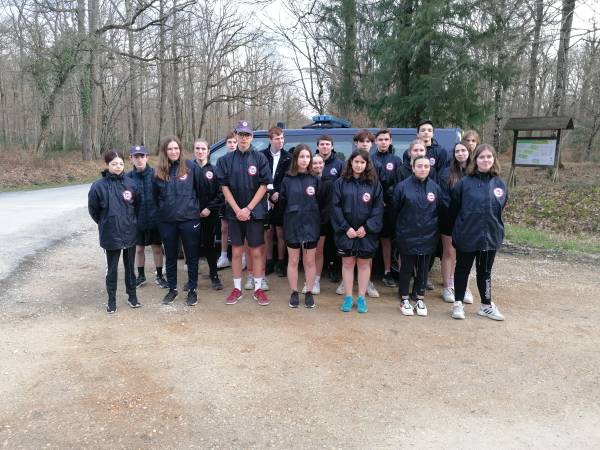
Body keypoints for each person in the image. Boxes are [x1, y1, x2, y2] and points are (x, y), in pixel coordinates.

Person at [216, 120, 272, 306]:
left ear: (252, 137)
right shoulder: (225, 160)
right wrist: (237, 210)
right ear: (236, 136)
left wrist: (248, 209)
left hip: (254, 213)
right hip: (234, 214)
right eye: (241, 134)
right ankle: (237, 288)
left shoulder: (260, 159)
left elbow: (264, 185)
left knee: (256, 252)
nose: (244, 138)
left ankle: (257, 289)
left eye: (247, 135)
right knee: (237, 252)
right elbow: (224, 187)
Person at [450, 144, 507, 321]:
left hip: (490, 236)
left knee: (485, 272)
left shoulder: (500, 183)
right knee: (462, 270)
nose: (486, 160)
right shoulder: (464, 183)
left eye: (489, 157)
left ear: (494, 159)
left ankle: (486, 305)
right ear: (475, 160)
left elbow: (500, 208)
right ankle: (458, 303)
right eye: (482, 157)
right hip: (467, 234)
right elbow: (454, 208)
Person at [153, 135, 209, 307]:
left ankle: (192, 289)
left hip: (189, 220)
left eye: (176, 148)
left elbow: (202, 191)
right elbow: (155, 197)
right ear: (165, 151)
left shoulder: (191, 167)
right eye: (170, 149)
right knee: (170, 257)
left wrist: (195, 210)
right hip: (167, 222)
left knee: (191, 257)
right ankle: (172, 289)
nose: (173, 151)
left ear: (180, 149)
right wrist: (163, 213)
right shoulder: (159, 172)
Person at [393, 155, 447, 317]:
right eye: (419, 166)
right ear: (413, 167)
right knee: (406, 268)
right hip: (407, 234)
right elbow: (394, 211)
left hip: (428, 235)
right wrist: (399, 231)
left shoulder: (435, 188)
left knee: (423, 269)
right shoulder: (402, 187)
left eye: (425, 166)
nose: (423, 169)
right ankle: (404, 298)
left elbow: (440, 210)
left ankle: (419, 297)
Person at [88, 151, 141, 313]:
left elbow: (137, 207)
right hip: (110, 234)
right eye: (114, 164)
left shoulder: (131, 184)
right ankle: (111, 300)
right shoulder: (98, 186)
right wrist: (105, 223)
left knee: (130, 268)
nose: (118, 167)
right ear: (107, 165)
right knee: (111, 270)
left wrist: (130, 222)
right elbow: (94, 211)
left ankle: (132, 296)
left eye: (120, 164)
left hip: (130, 232)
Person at [332, 149, 383, 314]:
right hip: (346, 232)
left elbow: (377, 209)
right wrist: (346, 228)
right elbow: (335, 207)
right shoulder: (340, 182)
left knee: (363, 264)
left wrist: (366, 228)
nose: (359, 165)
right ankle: (348, 297)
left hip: (366, 233)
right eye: (356, 162)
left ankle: (361, 297)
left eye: (363, 162)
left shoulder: (374, 183)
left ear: (367, 164)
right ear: (350, 162)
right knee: (347, 263)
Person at [279, 144, 321, 308]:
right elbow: (282, 202)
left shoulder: (315, 179)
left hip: (311, 224)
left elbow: (322, 202)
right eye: (301, 157)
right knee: (294, 260)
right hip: (292, 224)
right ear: (296, 159)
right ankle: (294, 292)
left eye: (307, 157)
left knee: (310, 261)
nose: (305, 160)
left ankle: (309, 292)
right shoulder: (287, 179)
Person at [125, 145, 168, 289]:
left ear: (147, 157)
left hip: (155, 220)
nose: (139, 159)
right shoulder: (127, 178)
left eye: (142, 156)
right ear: (131, 159)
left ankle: (160, 276)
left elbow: (163, 196)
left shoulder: (155, 174)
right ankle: (141, 276)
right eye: (136, 157)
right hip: (137, 221)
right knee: (139, 249)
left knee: (157, 248)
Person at [438, 141, 474, 303]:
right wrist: (456, 213)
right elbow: (443, 197)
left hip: (470, 221)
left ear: (469, 152)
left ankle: (463, 286)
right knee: (449, 253)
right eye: (457, 151)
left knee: (465, 255)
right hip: (450, 219)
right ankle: (447, 286)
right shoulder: (446, 173)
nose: (460, 153)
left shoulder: (475, 172)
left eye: (463, 150)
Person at [370, 129, 403, 288]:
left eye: (386, 139)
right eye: (380, 139)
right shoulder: (369, 159)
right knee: (369, 238)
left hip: (389, 207)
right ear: (375, 142)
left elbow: (399, 184)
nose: (383, 142)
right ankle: (366, 273)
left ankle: (387, 271)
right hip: (371, 205)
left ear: (390, 141)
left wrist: (388, 200)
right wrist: (378, 200)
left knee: (386, 239)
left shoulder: (396, 160)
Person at [192, 139, 224, 290]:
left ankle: (214, 276)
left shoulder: (215, 170)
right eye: (197, 148)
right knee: (193, 246)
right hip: (192, 214)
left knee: (210, 246)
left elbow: (220, 194)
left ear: (208, 151)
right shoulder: (188, 169)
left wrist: (209, 208)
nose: (200, 151)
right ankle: (192, 279)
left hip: (210, 215)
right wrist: (194, 209)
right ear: (194, 150)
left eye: (203, 148)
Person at [262, 126, 291, 278]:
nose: (280, 141)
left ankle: (281, 262)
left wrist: (277, 194)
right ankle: (269, 262)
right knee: (268, 232)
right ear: (270, 139)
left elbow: (288, 178)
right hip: (264, 197)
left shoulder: (288, 157)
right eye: (277, 138)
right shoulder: (261, 156)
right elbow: (261, 176)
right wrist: (270, 193)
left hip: (281, 199)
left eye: (282, 138)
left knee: (281, 232)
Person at [301, 153, 332, 295]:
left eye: (320, 163)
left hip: (321, 223)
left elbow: (328, 206)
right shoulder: (304, 180)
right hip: (305, 223)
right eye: (315, 163)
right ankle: (308, 280)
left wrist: (320, 221)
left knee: (318, 252)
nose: (318, 166)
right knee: (306, 253)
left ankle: (316, 280)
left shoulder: (329, 182)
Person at [315, 134, 343, 283]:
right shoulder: (312, 162)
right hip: (315, 212)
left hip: (333, 210)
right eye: (322, 144)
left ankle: (332, 266)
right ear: (317, 146)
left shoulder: (339, 164)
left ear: (332, 146)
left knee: (333, 242)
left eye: (327, 144)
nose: (325, 146)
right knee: (317, 243)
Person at [217, 132, 238, 270]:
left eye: (234, 142)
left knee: (241, 230)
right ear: (225, 144)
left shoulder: (243, 159)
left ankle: (242, 257)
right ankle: (224, 255)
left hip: (241, 200)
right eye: (229, 142)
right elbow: (220, 180)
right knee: (224, 228)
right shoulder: (221, 160)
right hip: (225, 199)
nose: (232, 144)